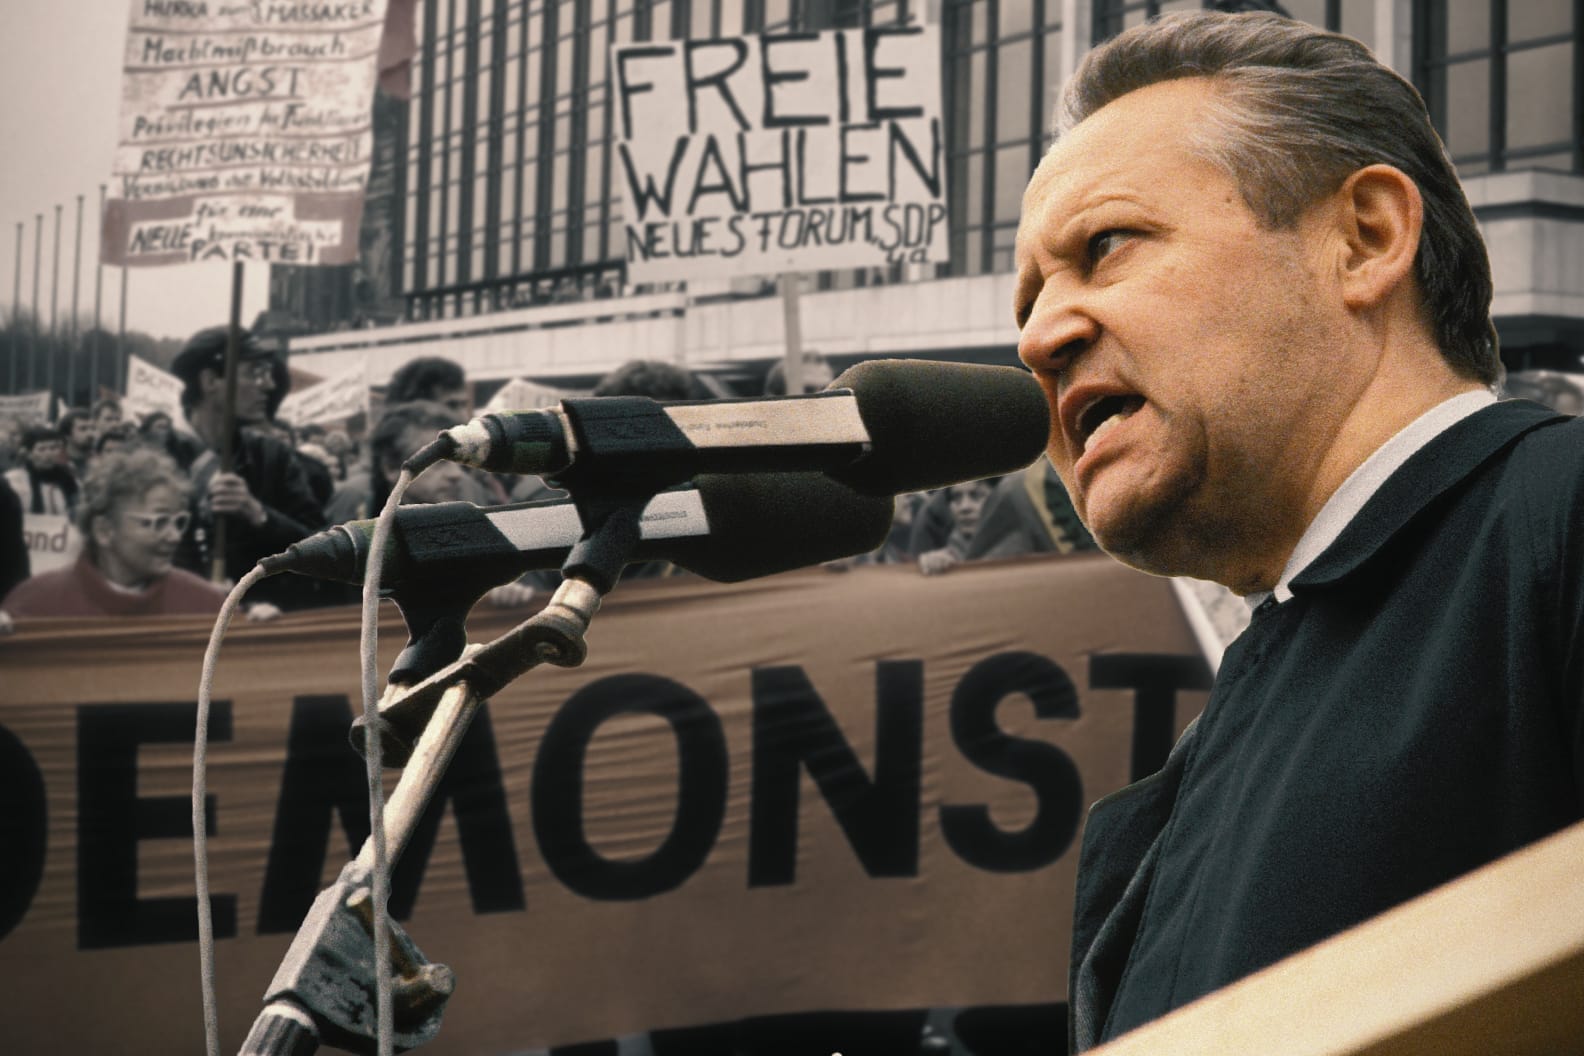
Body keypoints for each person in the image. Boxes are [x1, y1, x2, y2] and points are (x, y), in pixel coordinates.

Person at [1012, 11, 1582, 1050]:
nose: (1040, 335)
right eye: (1029, 296)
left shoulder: (1558, 520)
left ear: (1363, 237)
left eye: (1106, 247)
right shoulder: (1233, 719)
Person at [167, 325, 328, 610]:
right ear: (210, 380)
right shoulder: (150, 457)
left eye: (267, 372)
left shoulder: (273, 457)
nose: (268, 384)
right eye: (254, 372)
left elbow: (322, 550)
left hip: (259, 632)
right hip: (174, 633)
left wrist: (259, 515)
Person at [0, 449, 232, 619]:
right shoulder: (31, 607)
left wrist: (260, 629)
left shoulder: (205, 604)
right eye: (159, 522)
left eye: (179, 522)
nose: (174, 536)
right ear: (104, 531)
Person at [5, 424, 78, 517]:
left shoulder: (69, 479)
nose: (48, 454)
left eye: (53, 448)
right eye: (41, 449)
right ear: (28, 453)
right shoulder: (13, 480)